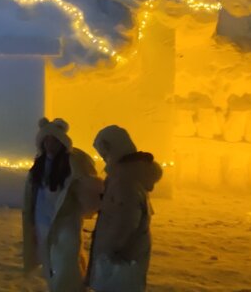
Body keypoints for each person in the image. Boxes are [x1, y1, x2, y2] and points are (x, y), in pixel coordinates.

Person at [21, 118, 103, 292]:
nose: (50, 145)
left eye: (54, 141)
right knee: (49, 260)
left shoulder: (73, 163)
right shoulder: (39, 165)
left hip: (66, 219)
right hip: (43, 220)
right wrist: (32, 220)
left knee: (67, 259)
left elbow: (88, 185)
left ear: (62, 143)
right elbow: (32, 194)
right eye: (46, 141)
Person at [87, 125, 163, 292]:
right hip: (124, 256)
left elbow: (126, 221)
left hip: (121, 259)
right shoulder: (125, 175)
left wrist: (110, 250)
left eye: (104, 153)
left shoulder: (124, 181)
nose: (103, 157)